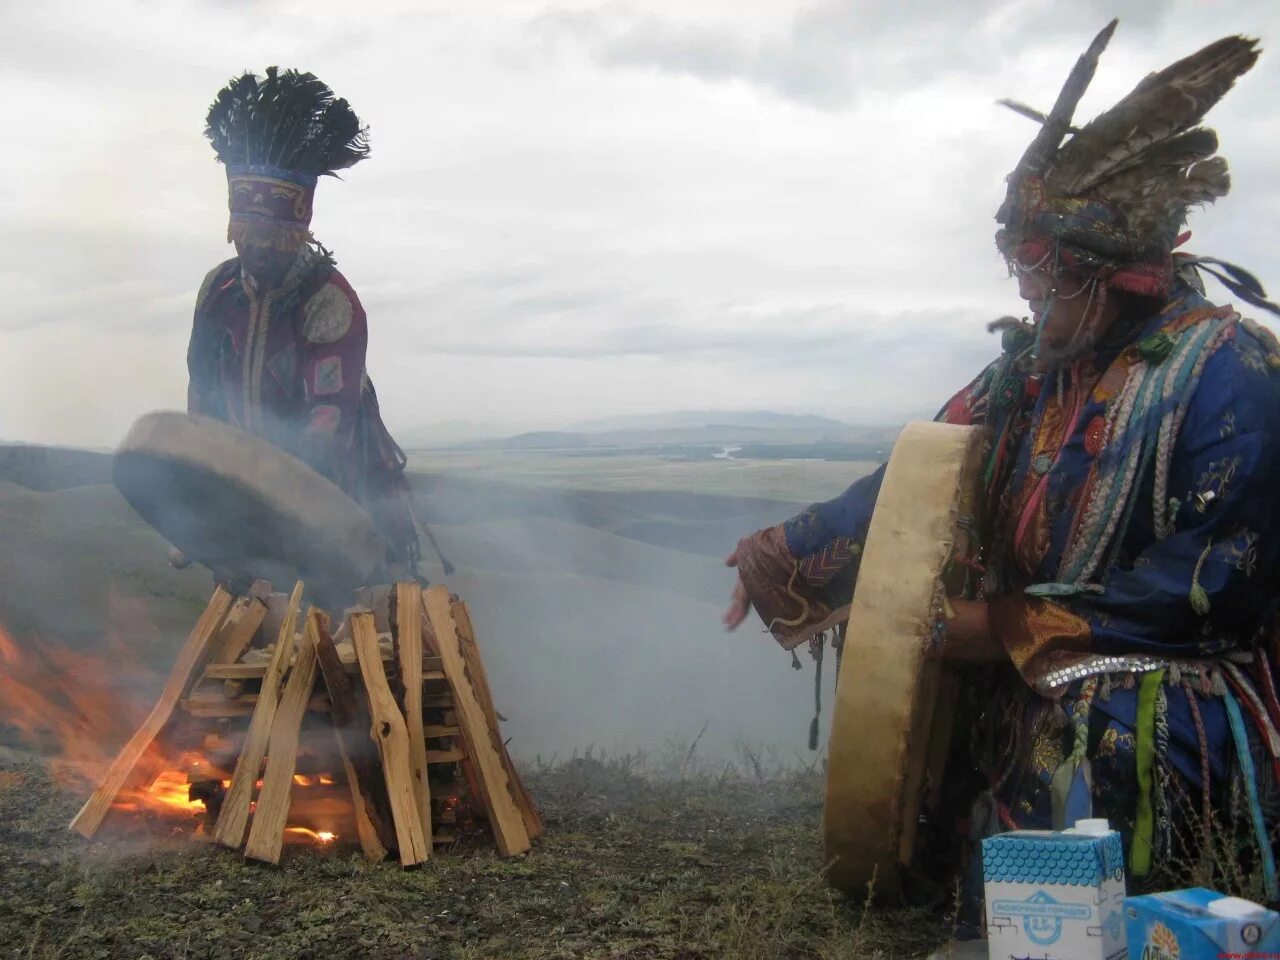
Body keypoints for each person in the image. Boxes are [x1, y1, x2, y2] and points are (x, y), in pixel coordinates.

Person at [726, 21, 1280, 904]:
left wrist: (1011, 627)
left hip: (1170, 678)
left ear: (1106, 274)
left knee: (1094, 726)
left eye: (1038, 268)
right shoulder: (1027, 373)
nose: (1022, 291)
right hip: (1034, 669)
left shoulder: (1232, 371)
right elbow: (919, 479)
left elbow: (1217, 583)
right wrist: (788, 550)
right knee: (945, 703)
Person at [184, 68, 421, 577]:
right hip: (245, 490)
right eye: (246, 240)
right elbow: (202, 392)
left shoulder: (330, 303)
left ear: (296, 235)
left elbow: (326, 423)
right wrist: (201, 499)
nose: (256, 254)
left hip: (337, 487)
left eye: (270, 243)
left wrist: (269, 504)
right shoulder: (218, 292)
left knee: (343, 626)